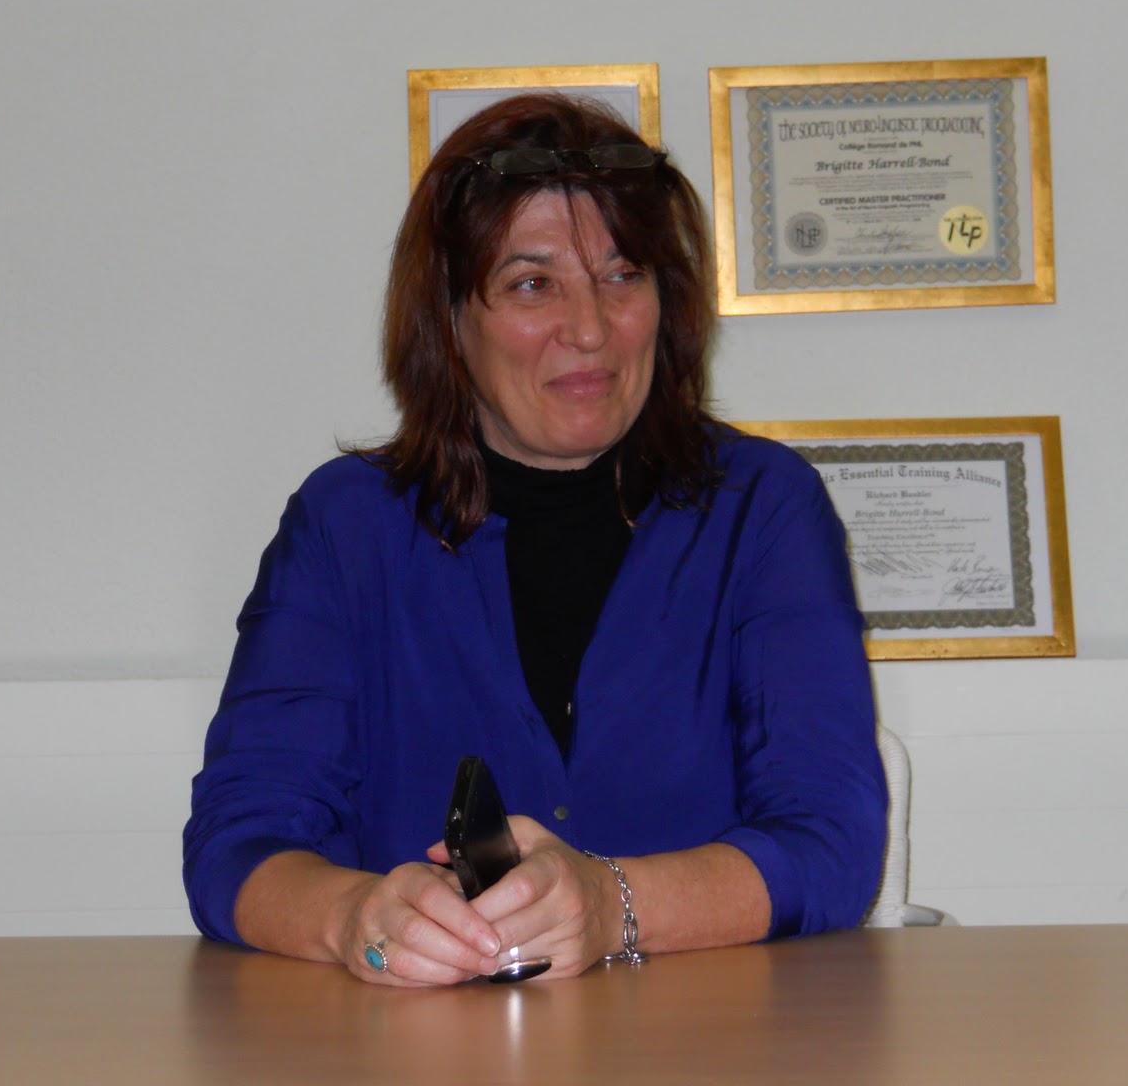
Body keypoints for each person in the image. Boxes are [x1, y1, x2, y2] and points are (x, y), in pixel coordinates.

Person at [182, 93, 887, 986]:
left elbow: (832, 844)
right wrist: (353, 918)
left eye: (623, 276)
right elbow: (238, 843)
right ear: (449, 319)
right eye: (531, 284)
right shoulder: (343, 525)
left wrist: (610, 904)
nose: (590, 329)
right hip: (415, 1042)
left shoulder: (765, 508)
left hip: (711, 1036)